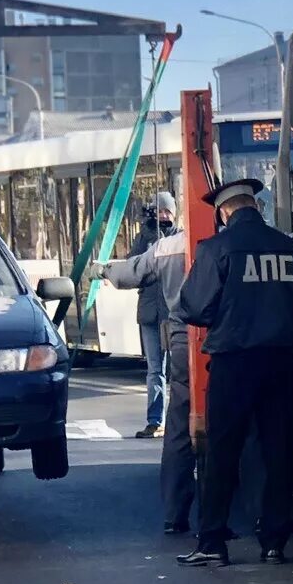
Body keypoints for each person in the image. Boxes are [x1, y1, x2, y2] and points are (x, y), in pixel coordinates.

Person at [173, 176, 293, 567]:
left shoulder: (216, 249)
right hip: (283, 362)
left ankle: (213, 542)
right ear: (256, 206)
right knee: (278, 450)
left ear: (224, 212)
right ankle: (273, 542)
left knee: (221, 452)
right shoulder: (288, 249)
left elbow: (194, 308)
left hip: (234, 363)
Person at [105, 204, 194, 532]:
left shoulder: (166, 247)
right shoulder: (219, 240)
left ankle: (176, 515)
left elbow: (130, 271)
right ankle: (259, 517)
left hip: (180, 333)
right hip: (221, 338)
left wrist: (106, 270)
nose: (164, 217)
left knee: (180, 429)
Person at [123, 191, 177, 438]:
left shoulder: (179, 237)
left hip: (174, 314)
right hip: (149, 314)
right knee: (155, 370)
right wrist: (147, 233)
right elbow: (132, 266)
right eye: (160, 211)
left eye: (167, 211)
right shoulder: (144, 236)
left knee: (180, 370)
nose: (164, 215)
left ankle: (179, 419)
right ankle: (155, 421)